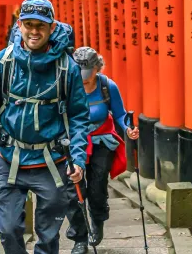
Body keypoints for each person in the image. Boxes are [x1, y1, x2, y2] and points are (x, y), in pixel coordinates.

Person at [0, 0, 90, 254]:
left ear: (52, 27)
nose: (34, 31)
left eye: (41, 26)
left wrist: (77, 158)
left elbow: (79, 117)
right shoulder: (3, 61)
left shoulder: (68, 67)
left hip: (52, 162)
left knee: (48, 236)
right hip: (10, 158)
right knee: (9, 230)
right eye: (28, 24)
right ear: (19, 24)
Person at [65, 47, 139, 254]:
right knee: (74, 191)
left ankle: (97, 220)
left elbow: (120, 114)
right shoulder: (68, 85)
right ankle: (79, 237)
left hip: (100, 141)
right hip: (73, 142)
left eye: (88, 74)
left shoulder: (107, 86)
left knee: (97, 186)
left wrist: (128, 129)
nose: (84, 79)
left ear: (97, 68)